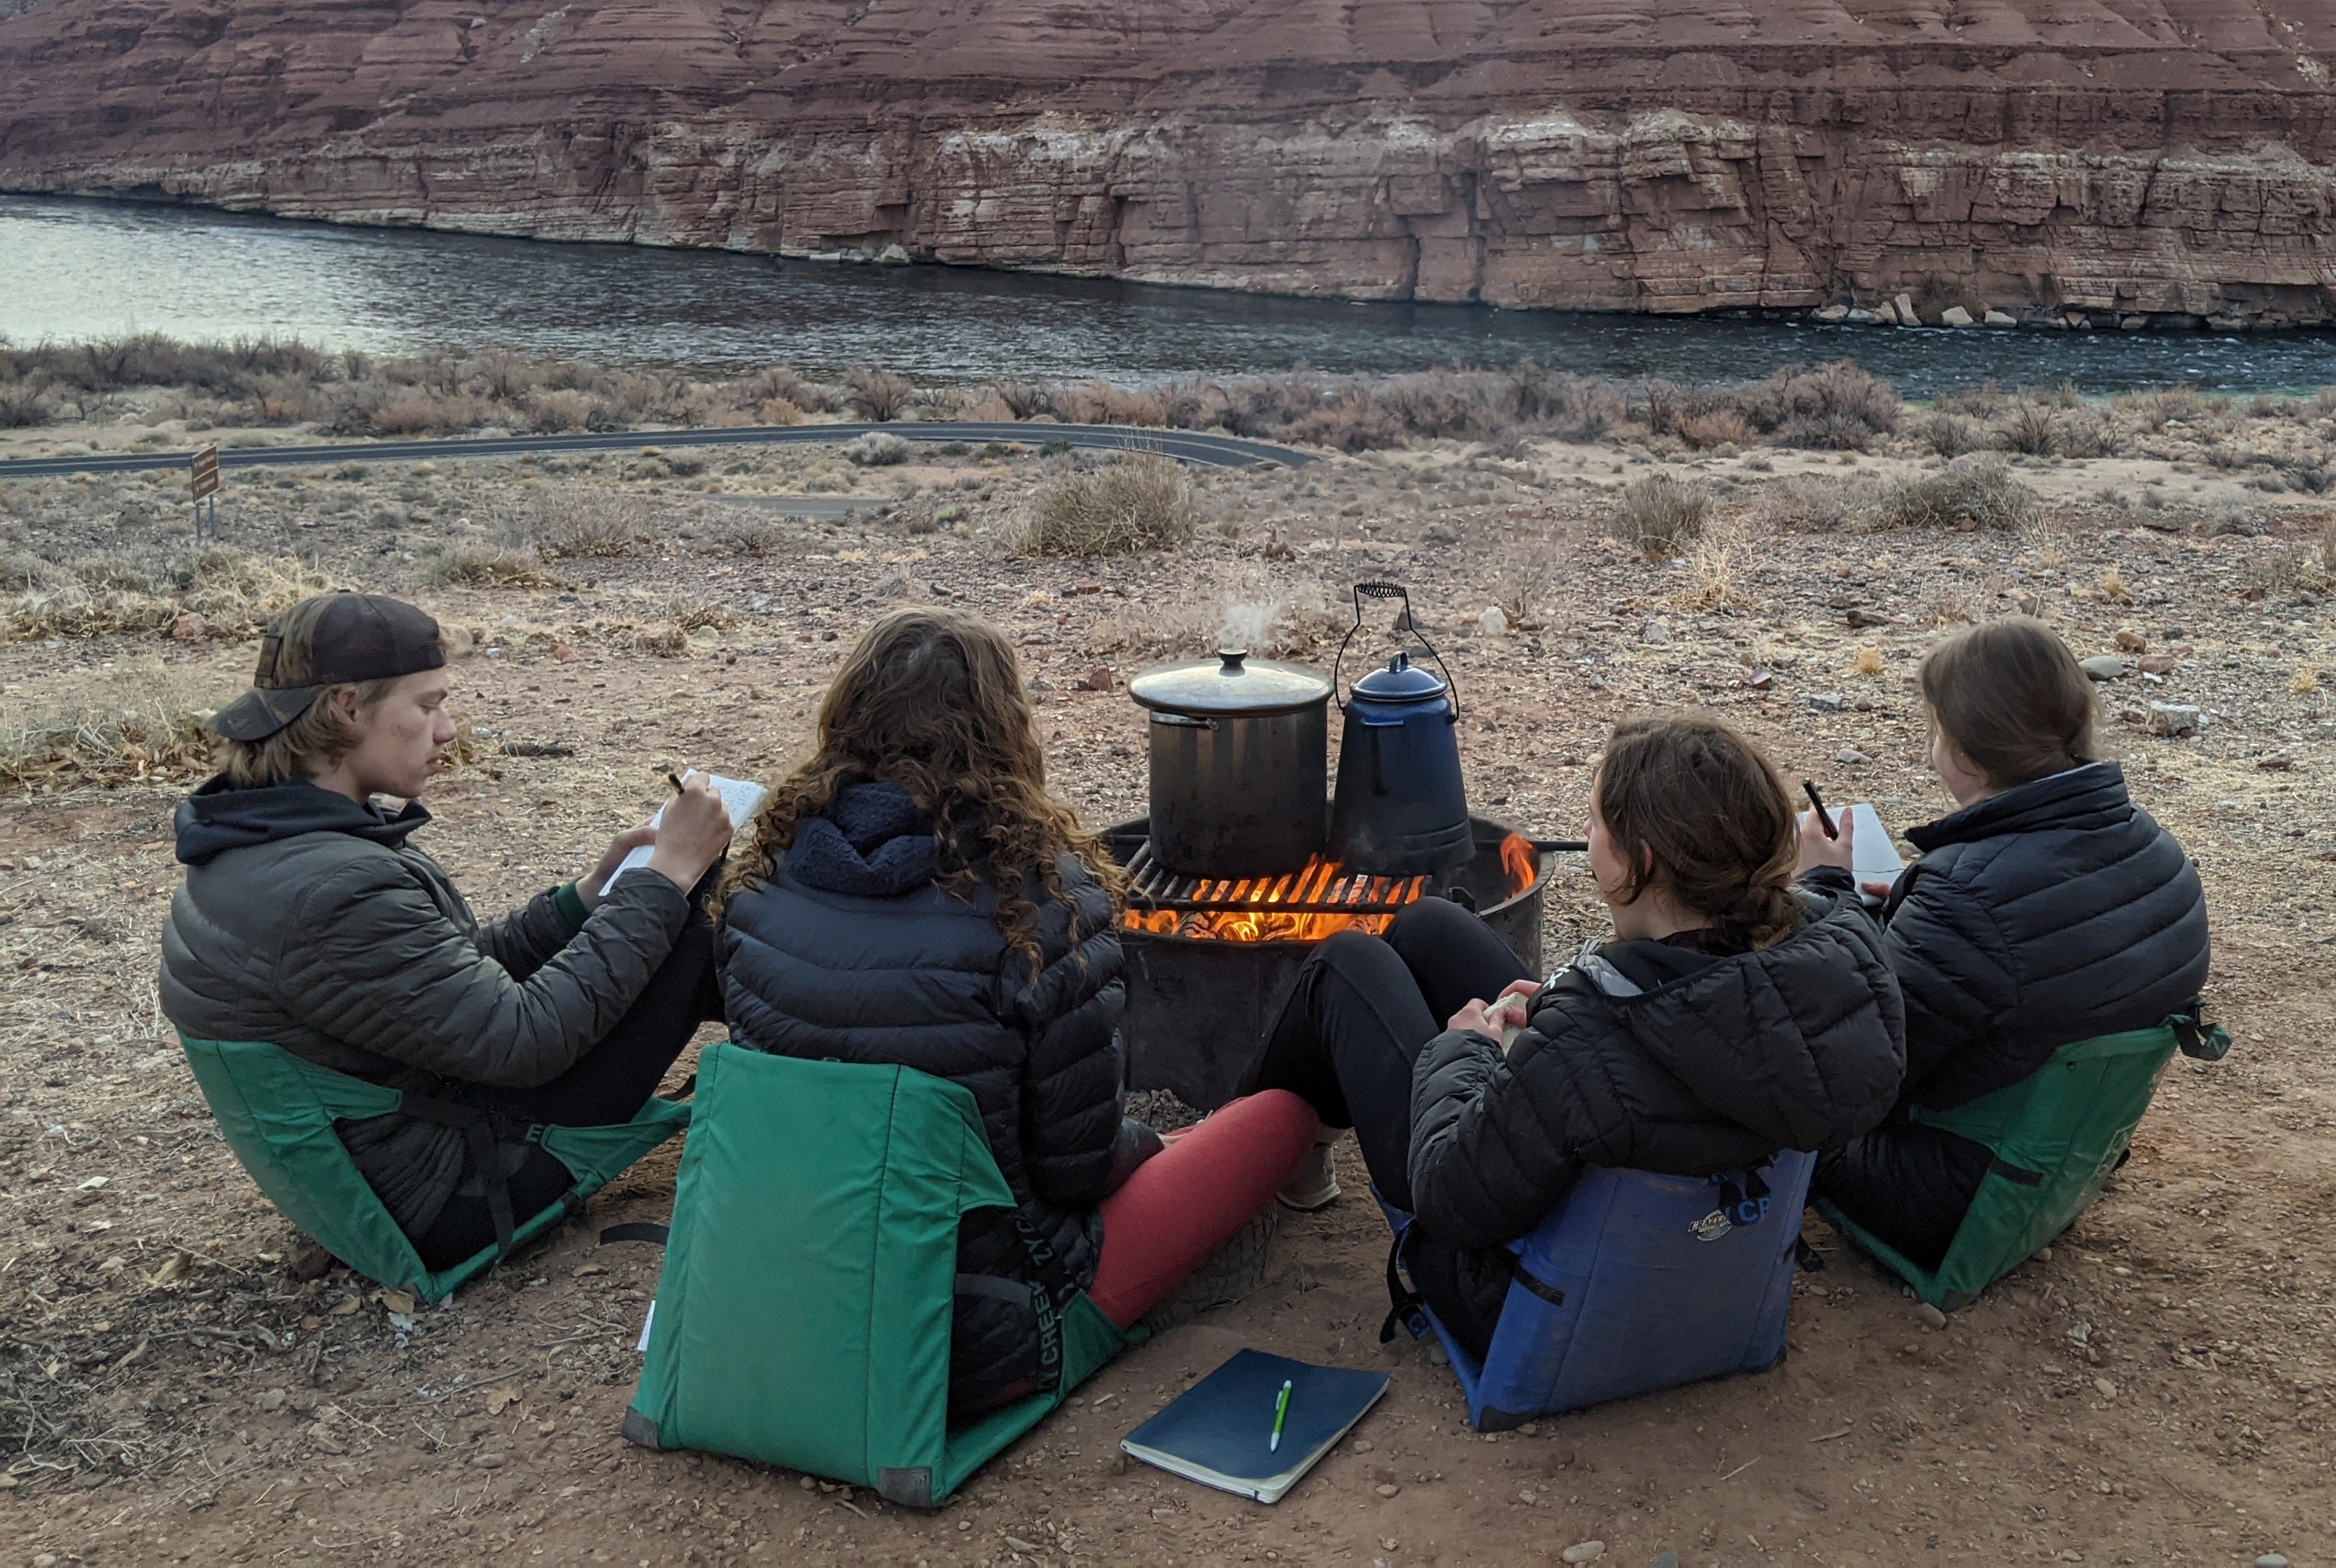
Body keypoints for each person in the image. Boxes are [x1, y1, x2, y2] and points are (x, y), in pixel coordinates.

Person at [713, 610, 1319, 1414]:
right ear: (1006, 731)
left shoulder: (758, 887)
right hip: (975, 1333)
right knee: (1279, 1113)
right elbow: (1077, 1169)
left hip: (787, 1303)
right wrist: (1147, 1144)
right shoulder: (1036, 905)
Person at [1247, 711, 1906, 1357]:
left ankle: (1229, 1159)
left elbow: (1448, 1198)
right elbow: (1644, 1043)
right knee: (1429, 926)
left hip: (1541, 1302)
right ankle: (1288, 1156)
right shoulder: (1839, 962)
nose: (1586, 839)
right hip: (1715, 1269)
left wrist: (1467, 1050)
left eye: (1595, 826)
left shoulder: (1586, 1039)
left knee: (1347, 964)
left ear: (1638, 864)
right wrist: (1565, 1011)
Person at [160, 592, 733, 1269]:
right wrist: (663, 881)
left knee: (667, 911)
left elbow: (449, 980)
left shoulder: (269, 840)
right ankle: (823, 1134)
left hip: (400, 1151)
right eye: (428, 706)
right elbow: (523, 1040)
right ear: (347, 708)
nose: (449, 729)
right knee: (695, 926)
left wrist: (591, 894)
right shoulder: (332, 886)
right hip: (454, 1193)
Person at [1799, 618, 2210, 1271]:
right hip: (2062, 1160)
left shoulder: (1967, 897)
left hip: (1951, 1196)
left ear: (1963, 748)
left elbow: (1861, 1074)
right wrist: (1906, 912)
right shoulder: (2154, 846)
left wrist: (1823, 888)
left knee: (1757, 1077)